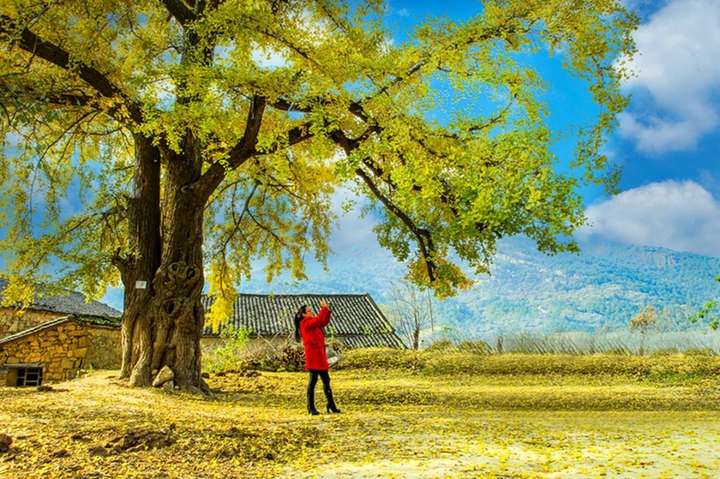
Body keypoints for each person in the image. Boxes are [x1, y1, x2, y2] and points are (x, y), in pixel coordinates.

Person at [294, 300, 341, 415]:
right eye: (309, 311)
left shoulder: (312, 322)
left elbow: (323, 321)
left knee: (326, 380)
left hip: (319, 354)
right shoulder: (305, 323)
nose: (312, 312)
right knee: (313, 381)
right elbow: (319, 319)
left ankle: (331, 405)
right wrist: (323, 309)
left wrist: (327, 310)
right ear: (304, 314)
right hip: (313, 356)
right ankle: (311, 408)